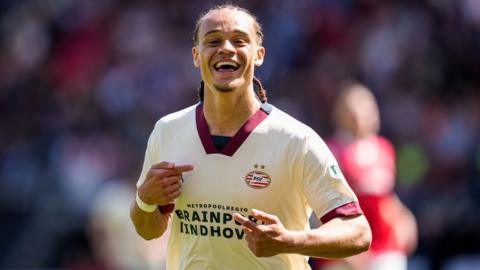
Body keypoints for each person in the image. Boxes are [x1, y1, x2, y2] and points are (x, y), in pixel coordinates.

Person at [130, 4, 371, 270]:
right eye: (213, 41)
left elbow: (358, 231)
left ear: (259, 55)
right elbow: (149, 230)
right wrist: (145, 199)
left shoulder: (295, 140)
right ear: (197, 56)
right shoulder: (168, 131)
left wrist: (292, 241)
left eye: (239, 40)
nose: (226, 48)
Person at [312, 82, 417, 270]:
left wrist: (404, 218)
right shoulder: (331, 150)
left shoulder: (384, 148)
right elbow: (320, 205)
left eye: (365, 107)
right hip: (346, 251)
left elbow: (385, 196)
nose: (359, 114)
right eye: (352, 107)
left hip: (383, 247)